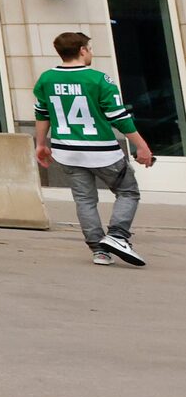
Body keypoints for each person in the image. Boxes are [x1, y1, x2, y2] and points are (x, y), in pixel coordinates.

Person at [33, 30, 151, 268]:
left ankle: (99, 250)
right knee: (128, 192)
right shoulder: (99, 79)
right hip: (101, 150)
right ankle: (117, 236)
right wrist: (142, 146)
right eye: (90, 49)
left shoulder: (46, 79)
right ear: (82, 50)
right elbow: (119, 117)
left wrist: (41, 143)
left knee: (85, 200)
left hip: (66, 150)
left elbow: (42, 113)